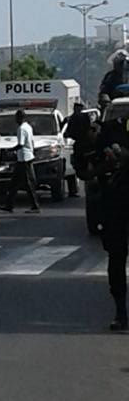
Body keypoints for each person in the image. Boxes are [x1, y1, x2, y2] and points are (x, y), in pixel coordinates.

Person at [93, 113, 129, 330]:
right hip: (115, 205)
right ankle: (121, 312)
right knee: (116, 259)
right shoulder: (108, 130)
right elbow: (89, 169)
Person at [0, 109, 41, 213]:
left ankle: (35, 206)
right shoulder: (28, 127)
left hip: (24, 158)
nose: (15, 120)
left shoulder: (21, 128)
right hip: (26, 157)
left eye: (16, 118)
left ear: (20, 118)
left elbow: (21, 144)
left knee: (28, 184)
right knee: (14, 183)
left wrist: (10, 150)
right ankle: (9, 205)